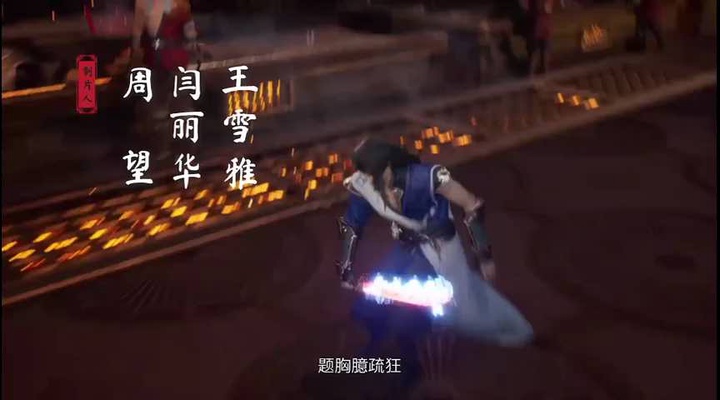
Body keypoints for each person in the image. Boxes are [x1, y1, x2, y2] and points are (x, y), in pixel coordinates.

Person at [335, 138, 534, 388]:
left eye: (373, 175)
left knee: (452, 312)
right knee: (373, 302)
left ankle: (413, 363)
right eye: (365, 176)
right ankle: (379, 353)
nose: (368, 183)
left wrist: (484, 256)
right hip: (407, 246)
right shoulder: (366, 186)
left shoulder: (427, 178)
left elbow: (472, 205)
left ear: (388, 168)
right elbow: (352, 225)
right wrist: (346, 267)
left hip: (441, 248)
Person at [130, 0, 199, 160]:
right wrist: (136, 50)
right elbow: (138, 29)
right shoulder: (145, 3)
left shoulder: (177, 4)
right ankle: (166, 148)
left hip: (173, 60)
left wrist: (192, 49)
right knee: (161, 108)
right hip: (158, 60)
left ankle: (182, 148)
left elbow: (189, 31)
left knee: (179, 107)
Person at [523, 0, 554, 77]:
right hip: (540, 26)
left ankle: (537, 74)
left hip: (539, 26)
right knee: (539, 52)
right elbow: (546, 10)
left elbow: (546, 9)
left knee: (539, 52)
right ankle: (538, 74)